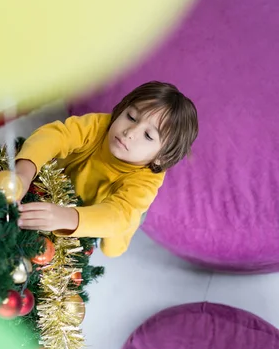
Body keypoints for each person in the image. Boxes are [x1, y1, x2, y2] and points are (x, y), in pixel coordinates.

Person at [15, 81, 198, 257]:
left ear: (161, 157)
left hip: (109, 207)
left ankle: (133, 222)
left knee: (114, 244)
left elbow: (118, 216)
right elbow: (55, 135)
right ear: (121, 109)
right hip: (66, 182)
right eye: (131, 117)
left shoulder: (146, 181)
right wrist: (24, 173)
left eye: (148, 135)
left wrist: (68, 218)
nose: (130, 132)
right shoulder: (98, 126)